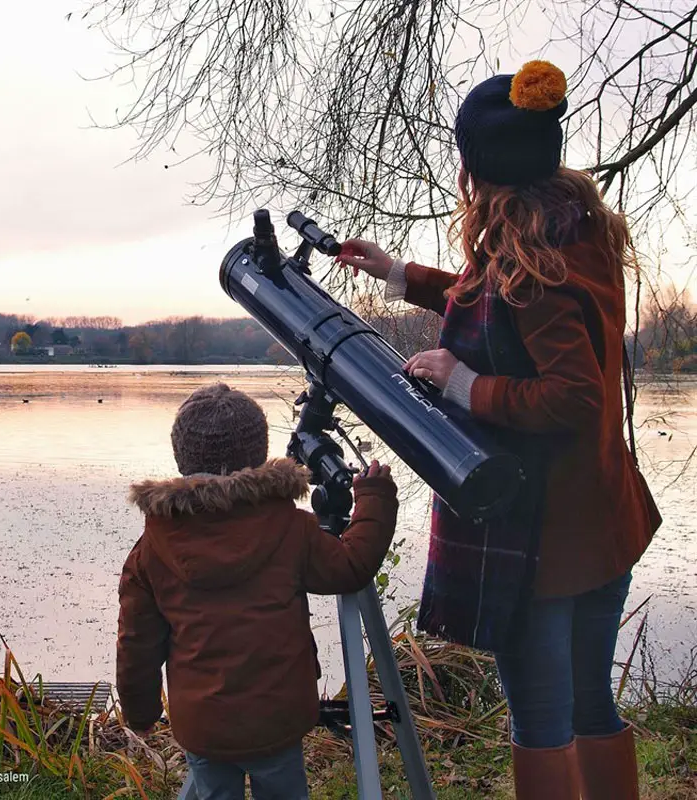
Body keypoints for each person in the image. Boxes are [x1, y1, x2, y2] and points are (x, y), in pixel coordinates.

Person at [336, 61, 661, 800]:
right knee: (589, 705)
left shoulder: (532, 264)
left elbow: (571, 395)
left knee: (542, 723)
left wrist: (463, 384)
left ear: (476, 166)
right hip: (603, 522)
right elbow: (493, 296)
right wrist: (399, 275)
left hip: (545, 544)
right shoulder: (570, 233)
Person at [116, 383, 399, 800]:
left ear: (181, 456)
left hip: (204, 723)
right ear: (256, 453)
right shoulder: (290, 526)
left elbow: (136, 644)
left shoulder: (153, 546)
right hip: (278, 718)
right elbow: (351, 567)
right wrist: (372, 498)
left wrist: (141, 712)